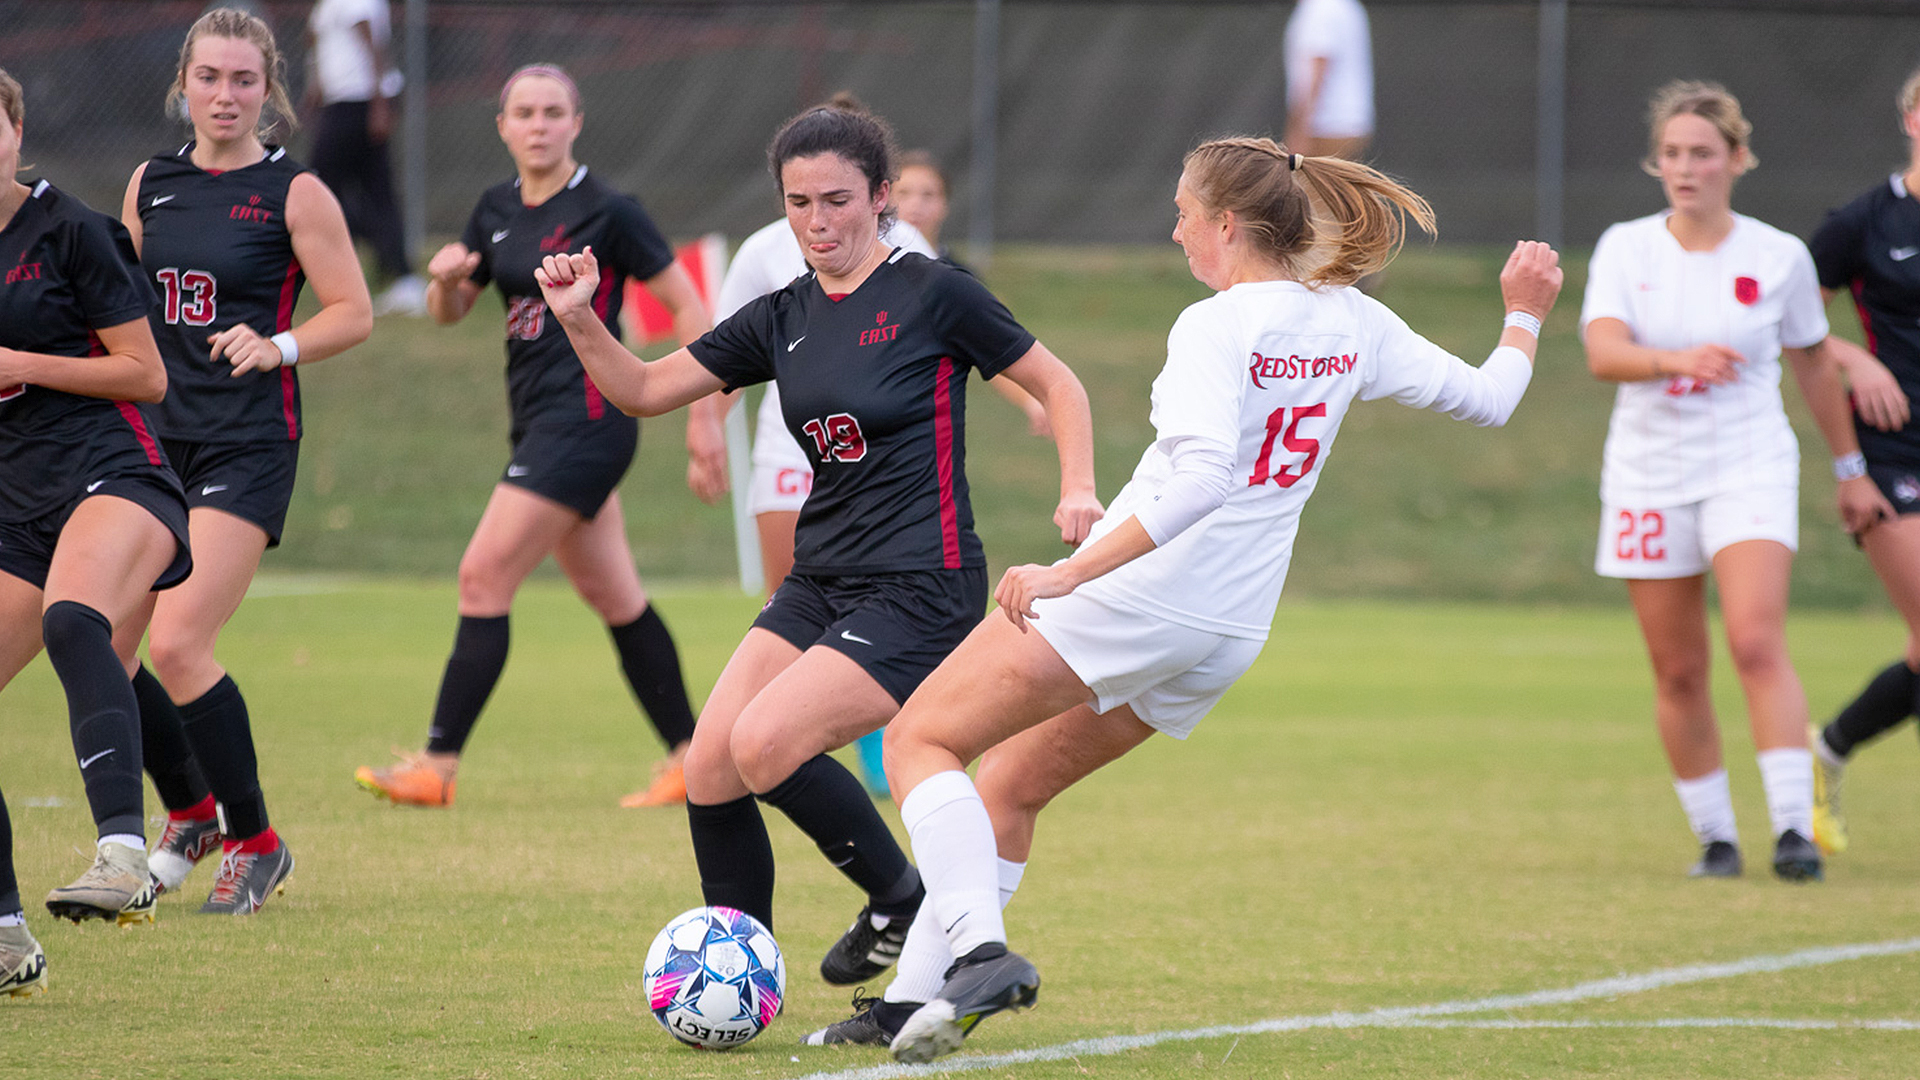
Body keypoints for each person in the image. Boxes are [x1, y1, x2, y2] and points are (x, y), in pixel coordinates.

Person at [792, 137, 1559, 1061]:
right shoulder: (1349, 317)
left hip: (1140, 598)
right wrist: (1524, 314)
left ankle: (979, 952)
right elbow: (1491, 399)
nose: (1176, 230)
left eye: (1184, 214)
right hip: (1229, 629)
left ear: (1226, 226)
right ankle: (916, 1007)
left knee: (922, 739)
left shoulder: (1215, 325)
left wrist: (1069, 573)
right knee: (1010, 784)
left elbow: (1202, 478)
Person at [534, 103, 1100, 988]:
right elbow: (645, 388)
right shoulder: (780, 313)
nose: (818, 221)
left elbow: (1058, 384)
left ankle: (902, 900)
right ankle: (736, 979)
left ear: (881, 199)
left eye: (837, 200)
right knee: (713, 763)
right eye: (799, 203)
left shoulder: (933, 292)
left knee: (766, 747)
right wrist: (578, 317)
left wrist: (1078, 487)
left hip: (922, 583)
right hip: (820, 577)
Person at [353, 63, 710, 810]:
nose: (539, 124)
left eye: (554, 111)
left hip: (588, 420)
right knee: (615, 595)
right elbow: (454, 313)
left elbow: (689, 308)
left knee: (482, 576)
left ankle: (437, 766)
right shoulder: (493, 208)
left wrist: (703, 419)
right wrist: (448, 282)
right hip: (536, 423)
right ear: (504, 126)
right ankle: (694, 758)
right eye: (525, 112)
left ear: (576, 122)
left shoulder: (611, 210)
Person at [1581, 81, 1878, 883]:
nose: (1686, 168)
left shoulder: (1777, 254)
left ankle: (1792, 832)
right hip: (1648, 476)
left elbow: (1815, 363)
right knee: (1677, 668)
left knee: (1753, 639)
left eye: (1702, 154)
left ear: (1737, 160)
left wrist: (1850, 469)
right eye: (1672, 154)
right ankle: (1715, 838)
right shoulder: (1626, 247)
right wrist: (1675, 359)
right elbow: (1604, 352)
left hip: (1748, 465)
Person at [119, 7, 372, 915]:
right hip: (152, 440)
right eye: (210, 78)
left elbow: (353, 308)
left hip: (247, 441)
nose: (225, 95)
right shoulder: (150, 182)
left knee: (181, 641)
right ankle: (191, 811)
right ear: (183, 82)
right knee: (106, 643)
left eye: (244, 80)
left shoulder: (293, 192)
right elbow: (120, 309)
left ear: (270, 91)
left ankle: (256, 841)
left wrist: (280, 345)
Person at [0, 66, 189, 956]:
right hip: (14, 497)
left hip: (113, 468)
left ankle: (124, 856)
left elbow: (146, 375)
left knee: (77, 619)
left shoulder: (71, 230)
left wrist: (24, 362)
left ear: (16, 128)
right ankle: (6, 937)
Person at [1805, 64, 1920, 850]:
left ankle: (1833, 743)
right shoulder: (1864, 221)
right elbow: (1796, 327)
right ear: (1912, 119)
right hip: (1891, 451)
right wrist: (1858, 359)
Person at [304, 0, 423, 315]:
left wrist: (380, 101)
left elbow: (373, 44)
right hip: (339, 100)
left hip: (358, 100)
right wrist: (315, 89)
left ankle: (393, 268)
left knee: (321, 187)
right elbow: (320, 46)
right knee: (361, 188)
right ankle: (394, 268)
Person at [1283, 0, 1374, 161]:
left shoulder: (1320, 9)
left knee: (1305, 184)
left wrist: (1300, 130)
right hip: (1349, 123)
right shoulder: (1346, 6)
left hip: (1325, 127)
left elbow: (1318, 69)